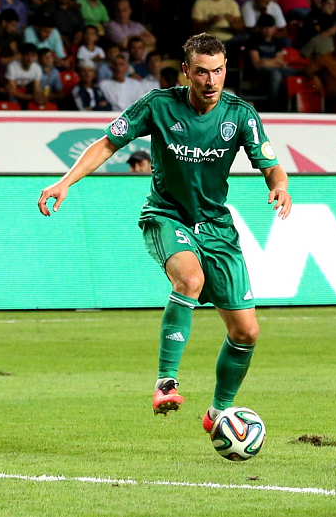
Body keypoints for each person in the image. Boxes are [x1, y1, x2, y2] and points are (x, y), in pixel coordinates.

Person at [37, 32, 292, 432]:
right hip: (167, 216)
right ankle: (165, 382)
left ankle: (218, 413)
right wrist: (65, 182)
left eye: (218, 71)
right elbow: (107, 144)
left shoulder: (241, 115)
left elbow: (272, 166)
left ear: (226, 70)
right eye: (202, 72)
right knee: (190, 278)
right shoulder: (158, 105)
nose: (211, 81)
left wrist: (280, 187)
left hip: (216, 227)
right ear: (186, 71)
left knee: (246, 332)